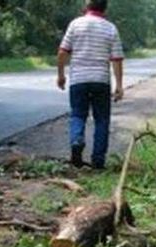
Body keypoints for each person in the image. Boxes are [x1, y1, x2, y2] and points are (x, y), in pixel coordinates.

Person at [57, 0, 124, 169]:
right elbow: (116, 59)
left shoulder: (75, 24)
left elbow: (62, 52)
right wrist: (119, 85)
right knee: (102, 120)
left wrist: (61, 76)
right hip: (101, 80)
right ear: (105, 8)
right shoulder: (110, 28)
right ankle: (98, 161)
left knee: (78, 115)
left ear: (87, 7)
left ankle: (77, 140)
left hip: (78, 80)